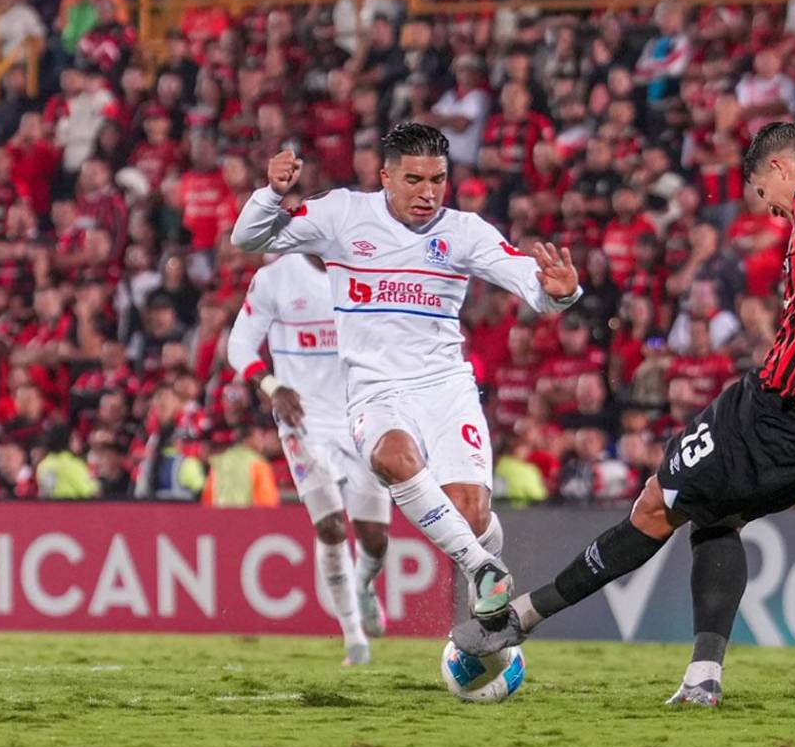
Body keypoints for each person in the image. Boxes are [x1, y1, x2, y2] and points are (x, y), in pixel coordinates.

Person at [451, 122, 795, 705]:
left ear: (780, 170)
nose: (772, 212)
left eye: (766, 196)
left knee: (656, 504)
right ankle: (702, 678)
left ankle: (516, 619)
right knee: (718, 519)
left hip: (777, 407)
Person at [231, 123, 582, 620]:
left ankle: (482, 554)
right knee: (390, 456)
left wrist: (560, 291)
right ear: (386, 178)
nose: (428, 193)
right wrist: (270, 194)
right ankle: (482, 568)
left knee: (470, 515)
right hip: (375, 390)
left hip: (445, 389)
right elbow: (246, 238)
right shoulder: (343, 214)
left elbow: (533, 286)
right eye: (414, 180)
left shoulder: (464, 232)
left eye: (438, 179)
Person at [227, 252, 395, 665]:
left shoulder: (365, 274)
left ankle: (364, 585)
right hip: (303, 422)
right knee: (332, 526)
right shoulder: (275, 279)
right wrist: (272, 386)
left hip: (360, 417)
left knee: (375, 539)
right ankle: (353, 638)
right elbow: (239, 344)